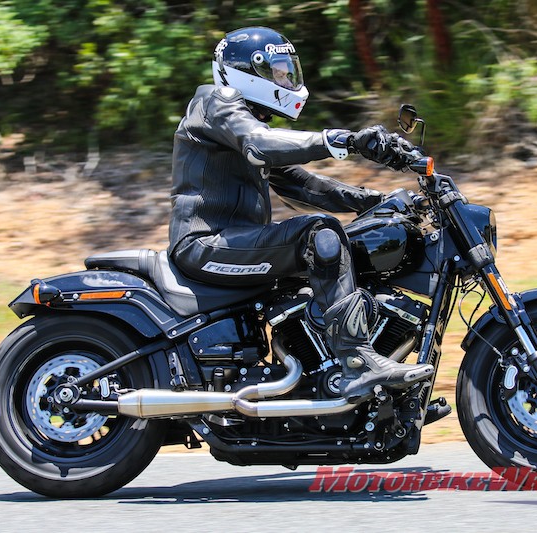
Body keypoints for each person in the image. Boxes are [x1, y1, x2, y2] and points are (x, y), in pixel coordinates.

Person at [168, 26, 433, 403]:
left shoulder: (243, 130)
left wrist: (374, 200)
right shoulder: (215, 102)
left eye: (287, 71)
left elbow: (304, 186)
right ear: (247, 71)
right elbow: (262, 144)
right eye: (278, 72)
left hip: (231, 243)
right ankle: (357, 360)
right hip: (205, 244)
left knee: (337, 242)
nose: (286, 79)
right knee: (318, 233)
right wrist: (342, 139)